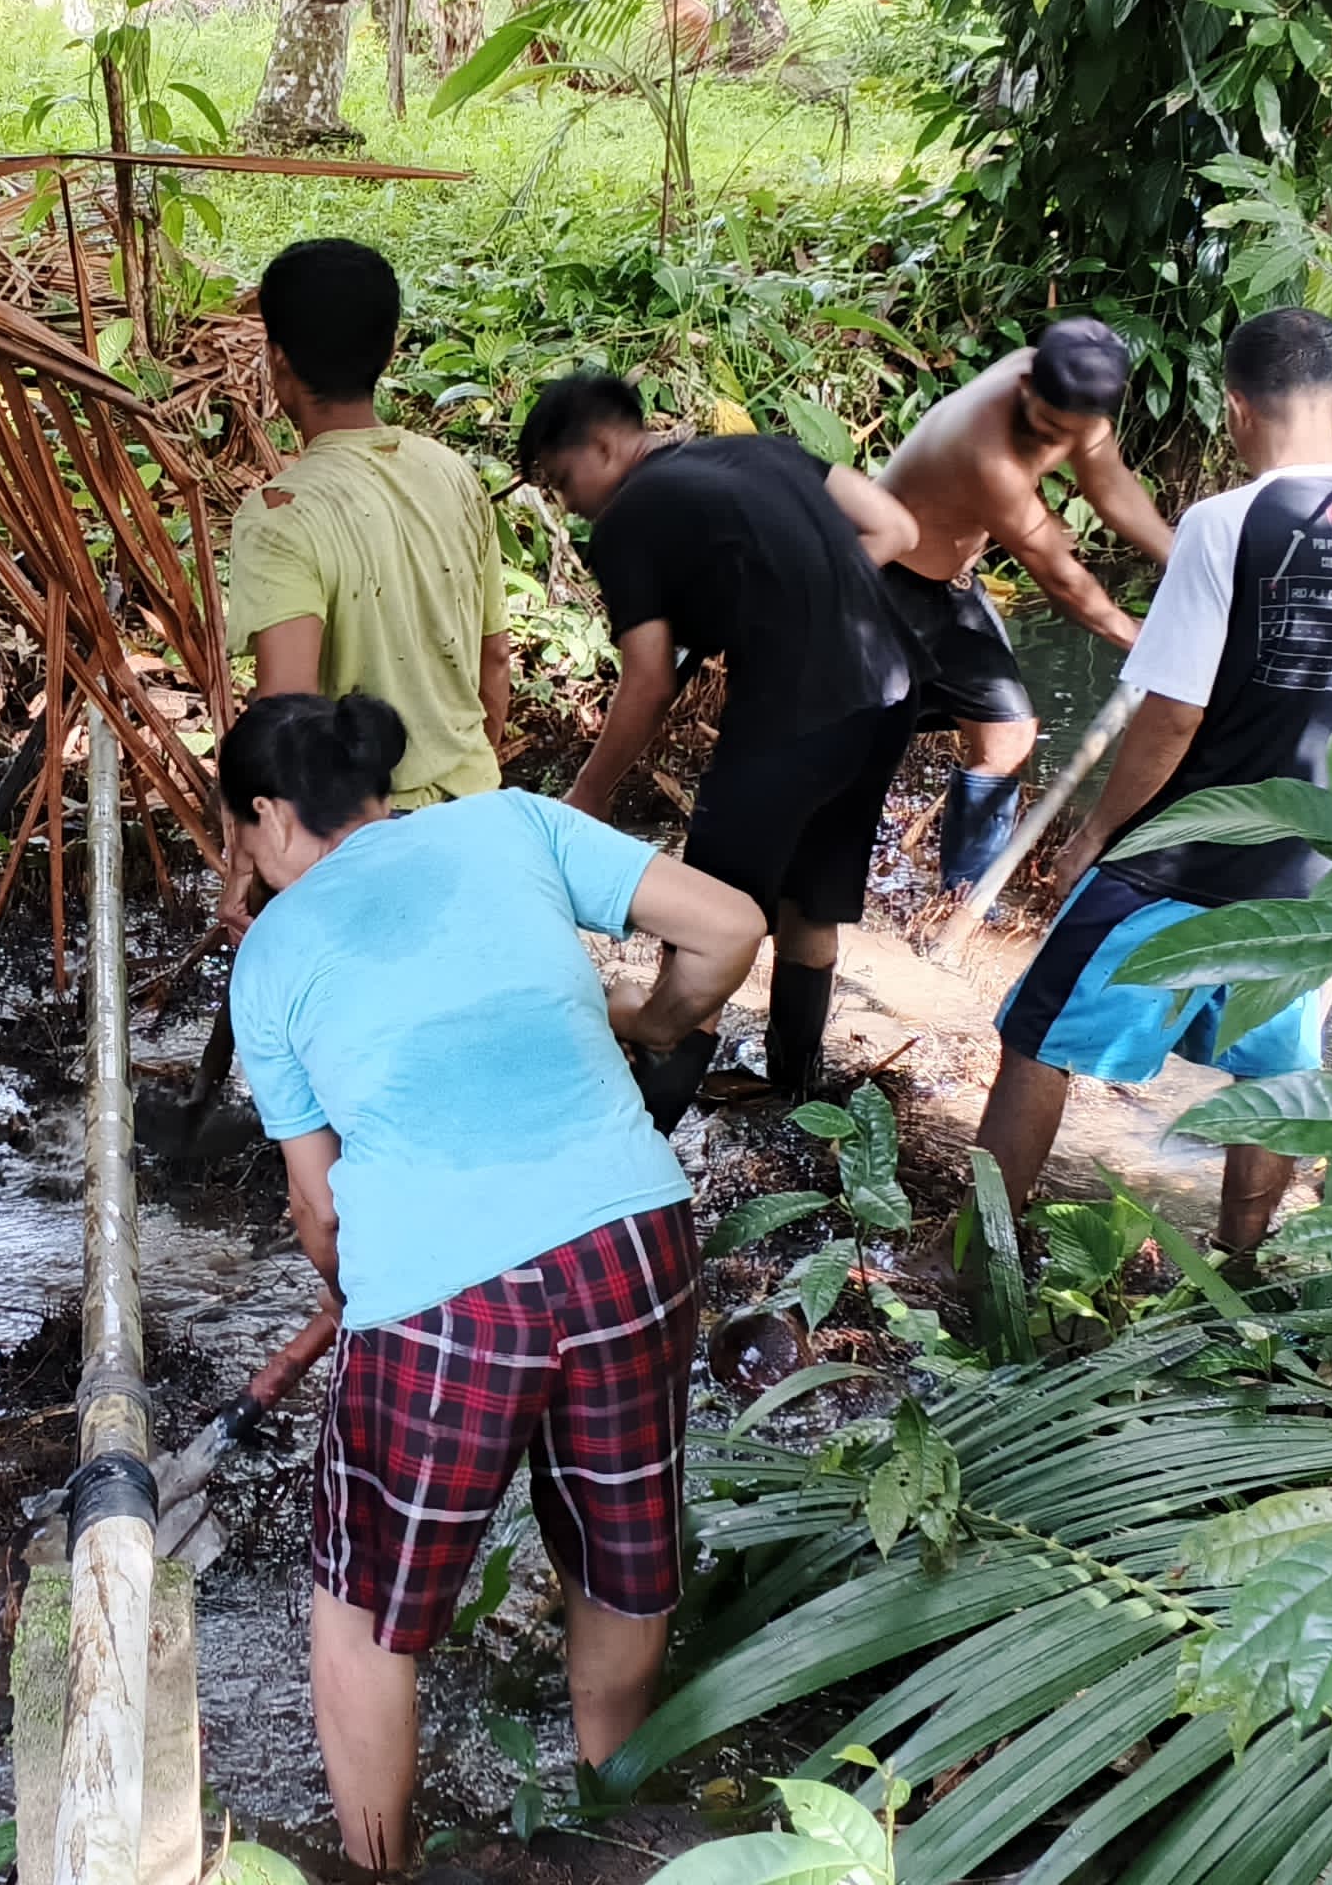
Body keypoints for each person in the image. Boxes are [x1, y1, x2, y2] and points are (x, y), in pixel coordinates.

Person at [220, 693, 765, 1872]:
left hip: (439, 1300)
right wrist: (651, 1022)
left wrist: (349, 1284)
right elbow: (727, 927)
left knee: (363, 1616)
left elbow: (319, 1206)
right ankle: (611, 1818)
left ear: (269, 817)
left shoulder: (270, 955)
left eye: (242, 839)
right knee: (619, 1559)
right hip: (630, 1239)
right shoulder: (515, 822)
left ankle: (380, 1867)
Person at [979, 308, 1332, 1256]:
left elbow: (1176, 716)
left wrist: (1096, 838)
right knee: (1275, 1079)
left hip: (1187, 856)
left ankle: (977, 1254)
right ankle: (1237, 1272)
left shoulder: (1225, 524)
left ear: (1233, 408)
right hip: (1325, 861)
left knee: (1039, 1033)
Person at [520, 368, 922, 1114]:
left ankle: (646, 1138)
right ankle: (798, 1097)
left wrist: (591, 790)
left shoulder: (628, 520)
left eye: (562, 477)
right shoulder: (761, 453)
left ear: (605, 445)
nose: (568, 503)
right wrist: (803, 598)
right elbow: (898, 529)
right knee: (810, 904)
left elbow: (645, 681)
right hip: (887, 694)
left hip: (793, 715)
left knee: (702, 929)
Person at [218, 239, 509, 936]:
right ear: (389, 350)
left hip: (365, 838)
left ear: (279, 362)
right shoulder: (453, 474)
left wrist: (251, 871)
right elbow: (494, 663)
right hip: (479, 815)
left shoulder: (281, 514)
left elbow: (288, 718)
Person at [873, 318, 1174, 892]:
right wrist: (1137, 637)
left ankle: (965, 894)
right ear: (1027, 383)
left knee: (1008, 736)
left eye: (1073, 433)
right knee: (860, 746)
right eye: (1047, 426)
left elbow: (1109, 486)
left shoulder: (1074, 401)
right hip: (886, 588)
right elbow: (1060, 580)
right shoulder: (983, 445)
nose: (1055, 444)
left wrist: (1179, 554)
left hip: (951, 587)